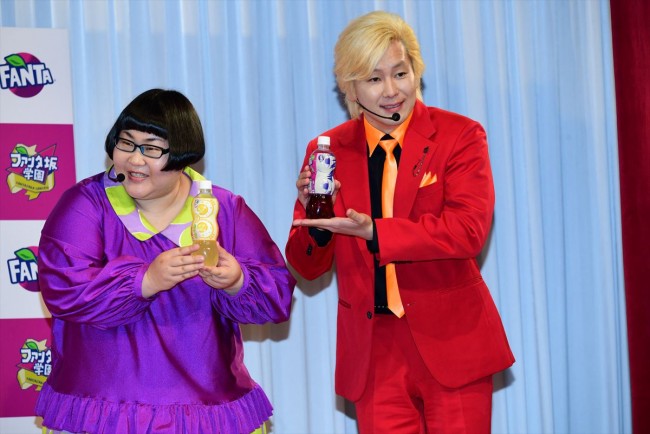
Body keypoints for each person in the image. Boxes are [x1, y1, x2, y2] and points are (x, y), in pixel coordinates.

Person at [286, 11, 514, 433]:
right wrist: (317, 220)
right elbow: (307, 266)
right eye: (374, 79)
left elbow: (467, 232)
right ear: (349, 87)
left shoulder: (459, 135)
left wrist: (375, 232)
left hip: (452, 341)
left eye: (400, 73)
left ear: (416, 71)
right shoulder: (327, 150)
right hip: (374, 351)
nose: (391, 91)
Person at [35, 88, 295, 434]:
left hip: (206, 411)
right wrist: (144, 281)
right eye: (126, 143)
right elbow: (63, 289)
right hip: (104, 410)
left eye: (152, 148)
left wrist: (237, 281)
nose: (135, 159)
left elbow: (277, 295)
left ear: (183, 154)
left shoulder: (223, 209)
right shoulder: (86, 205)